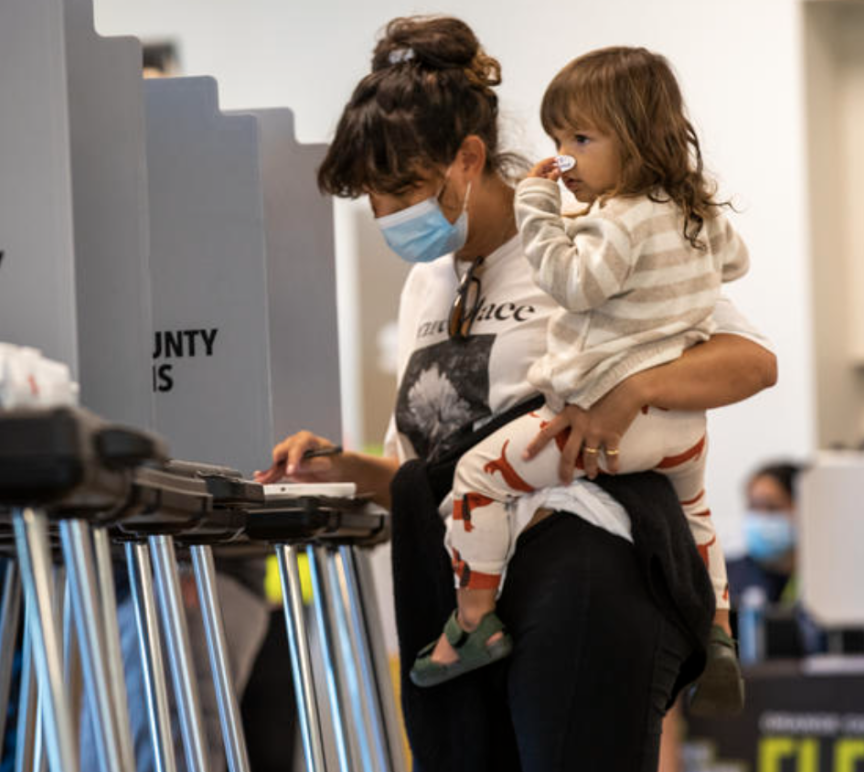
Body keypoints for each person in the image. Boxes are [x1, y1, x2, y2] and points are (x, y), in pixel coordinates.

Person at [255, 16, 777, 771]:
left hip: (588, 567)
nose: (386, 215)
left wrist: (631, 392)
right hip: (466, 588)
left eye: (401, 189)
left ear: (469, 158)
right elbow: (419, 470)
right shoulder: (425, 283)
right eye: (373, 198)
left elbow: (751, 360)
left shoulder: (590, 234)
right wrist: (339, 469)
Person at [409, 46, 746, 717]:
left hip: (605, 422)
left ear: (639, 136)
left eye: (581, 140)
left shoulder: (617, 221)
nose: (562, 158)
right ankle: (719, 630)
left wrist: (538, 207)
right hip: (679, 430)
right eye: (558, 140)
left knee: (476, 478)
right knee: (695, 512)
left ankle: (474, 619)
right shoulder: (694, 211)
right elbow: (733, 263)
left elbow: (572, 283)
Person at [728, 462, 802, 605]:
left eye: (773, 507)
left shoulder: (819, 579)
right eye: (753, 507)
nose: (761, 517)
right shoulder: (725, 578)